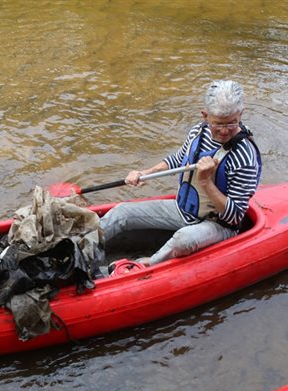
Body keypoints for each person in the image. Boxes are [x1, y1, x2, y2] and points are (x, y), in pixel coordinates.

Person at [100, 80, 262, 266]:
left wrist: (206, 183)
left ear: (241, 114)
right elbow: (178, 160)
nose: (224, 131)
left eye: (232, 123)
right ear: (205, 115)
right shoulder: (197, 132)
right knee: (122, 212)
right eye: (218, 123)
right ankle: (80, 246)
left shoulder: (244, 156)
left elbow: (234, 217)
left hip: (217, 225)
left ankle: (147, 265)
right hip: (183, 209)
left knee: (183, 239)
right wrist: (145, 172)